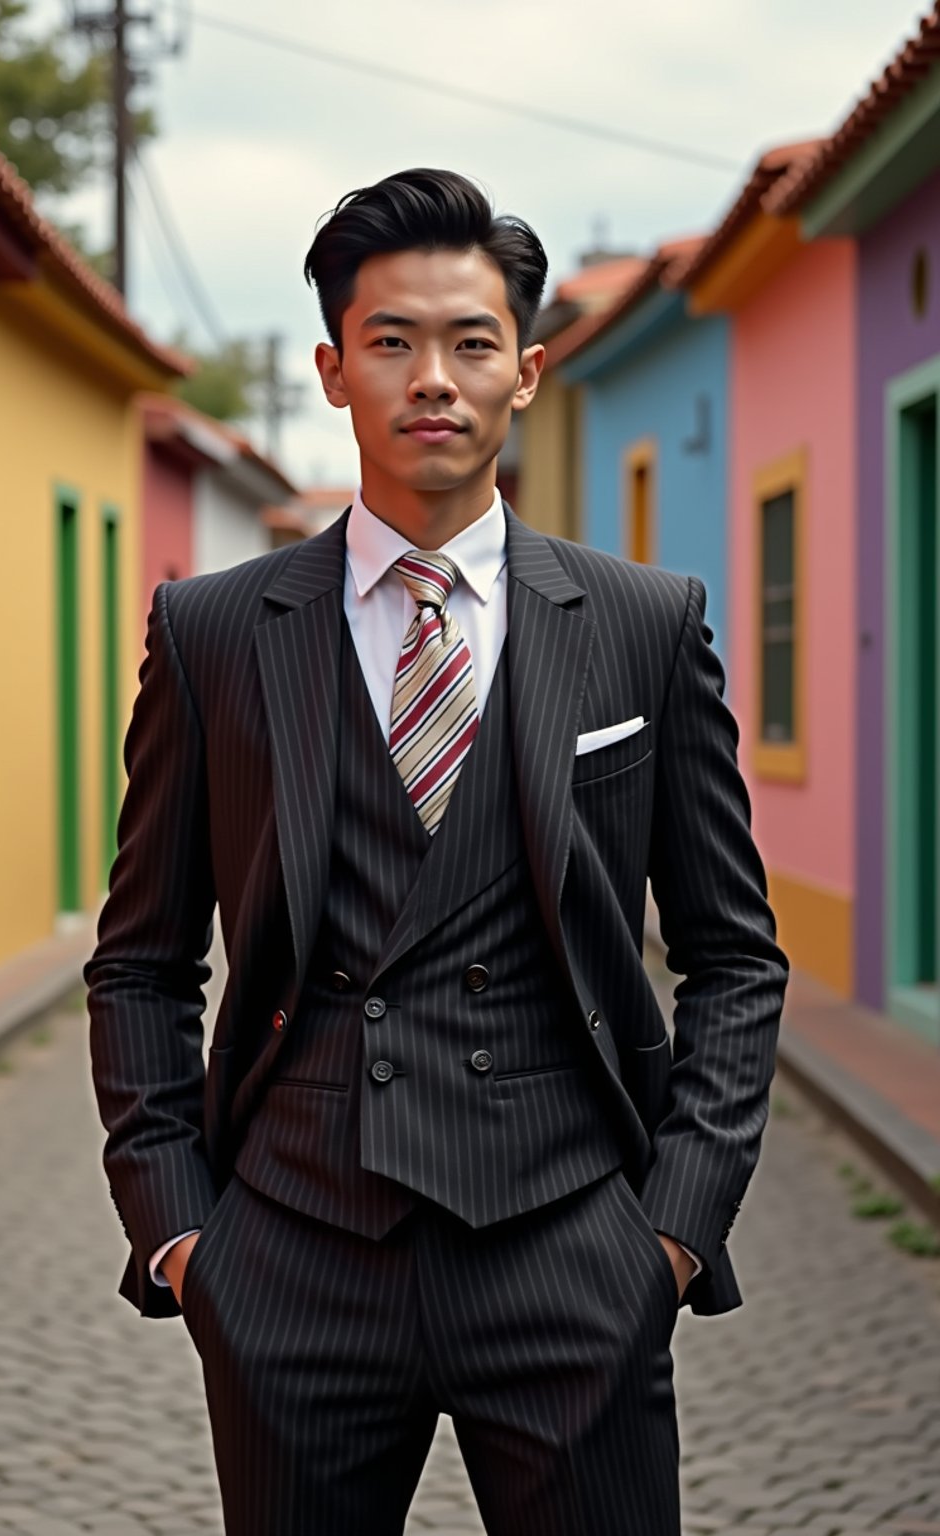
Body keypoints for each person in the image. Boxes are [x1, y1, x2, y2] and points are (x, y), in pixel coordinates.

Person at [85, 166, 789, 1536]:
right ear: (334, 368)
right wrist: (180, 1229)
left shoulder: (645, 622)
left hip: (571, 1249)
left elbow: (733, 957)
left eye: (470, 342)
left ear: (526, 372)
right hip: (293, 1255)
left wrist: (669, 1230)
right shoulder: (218, 632)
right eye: (392, 340)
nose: (433, 377)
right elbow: (142, 960)